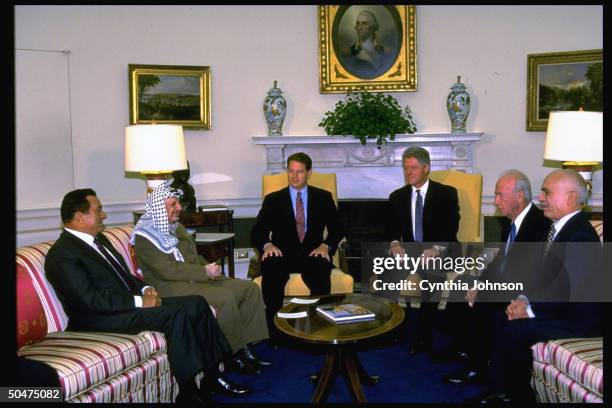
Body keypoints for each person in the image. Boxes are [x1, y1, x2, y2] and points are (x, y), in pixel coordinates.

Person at [44, 189, 249, 403]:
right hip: (97, 318)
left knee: (197, 303)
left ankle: (213, 377)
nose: (104, 215)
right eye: (99, 210)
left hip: (123, 307)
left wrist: (144, 289)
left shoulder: (99, 240)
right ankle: (188, 393)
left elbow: (123, 276)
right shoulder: (62, 255)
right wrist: (140, 301)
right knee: (175, 315)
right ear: (79, 217)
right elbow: (90, 301)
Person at [473, 169, 602, 403]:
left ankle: (511, 396)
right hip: (561, 310)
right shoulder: (558, 229)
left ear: (570, 198)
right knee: (504, 316)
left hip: (578, 321)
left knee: (515, 328)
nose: (540, 198)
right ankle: (501, 389)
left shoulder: (579, 235)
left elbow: (567, 290)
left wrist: (530, 311)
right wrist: (522, 299)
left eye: (547, 192)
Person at [132, 181, 270, 376]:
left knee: (249, 289)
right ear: (158, 208)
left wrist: (209, 268)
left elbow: (192, 257)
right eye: (173, 205)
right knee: (225, 297)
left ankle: (246, 347)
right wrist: (203, 272)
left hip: (193, 277)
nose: (179, 208)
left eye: (178, 204)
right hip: (170, 286)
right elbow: (168, 271)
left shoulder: (175, 227)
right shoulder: (145, 237)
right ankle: (231, 354)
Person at [445, 169, 551, 385]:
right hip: (507, 281)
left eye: (500, 195)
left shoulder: (538, 225)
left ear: (519, 196)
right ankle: (464, 347)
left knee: (483, 298)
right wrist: (480, 283)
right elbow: (500, 262)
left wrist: (484, 289)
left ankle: (478, 366)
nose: (495, 201)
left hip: (523, 288)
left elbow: (523, 271)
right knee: (461, 283)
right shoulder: (512, 222)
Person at [251, 152, 346, 339]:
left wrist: (326, 245)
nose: (294, 176)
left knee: (320, 273)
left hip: (313, 253)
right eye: (291, 171)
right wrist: (267, 245)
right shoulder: (273, 199)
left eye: (299, 172)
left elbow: (338, 228)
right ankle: (275, 330)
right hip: (282, 254)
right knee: (271, 270)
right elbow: (257, 230)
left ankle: (318, 328)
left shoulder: (323, 197)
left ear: (309, 173)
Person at [387, 146, 460, 354]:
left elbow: (451, 226)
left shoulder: (446, 193)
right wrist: (394, 244)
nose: (408, 172)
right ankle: (395, 328)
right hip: (411, 252)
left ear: (426, 168)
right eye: (405, 168)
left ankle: (424, 336)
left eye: (413, 167)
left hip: (441, 251)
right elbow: (390, 228)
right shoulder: (397, 197)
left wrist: (435, 249)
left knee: (431, 273)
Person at [339, 9, 395, 79]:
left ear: (372, 27)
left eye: (364, 23)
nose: (359, 27)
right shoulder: (347, 53)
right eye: (358, 23)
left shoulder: (387, 52)